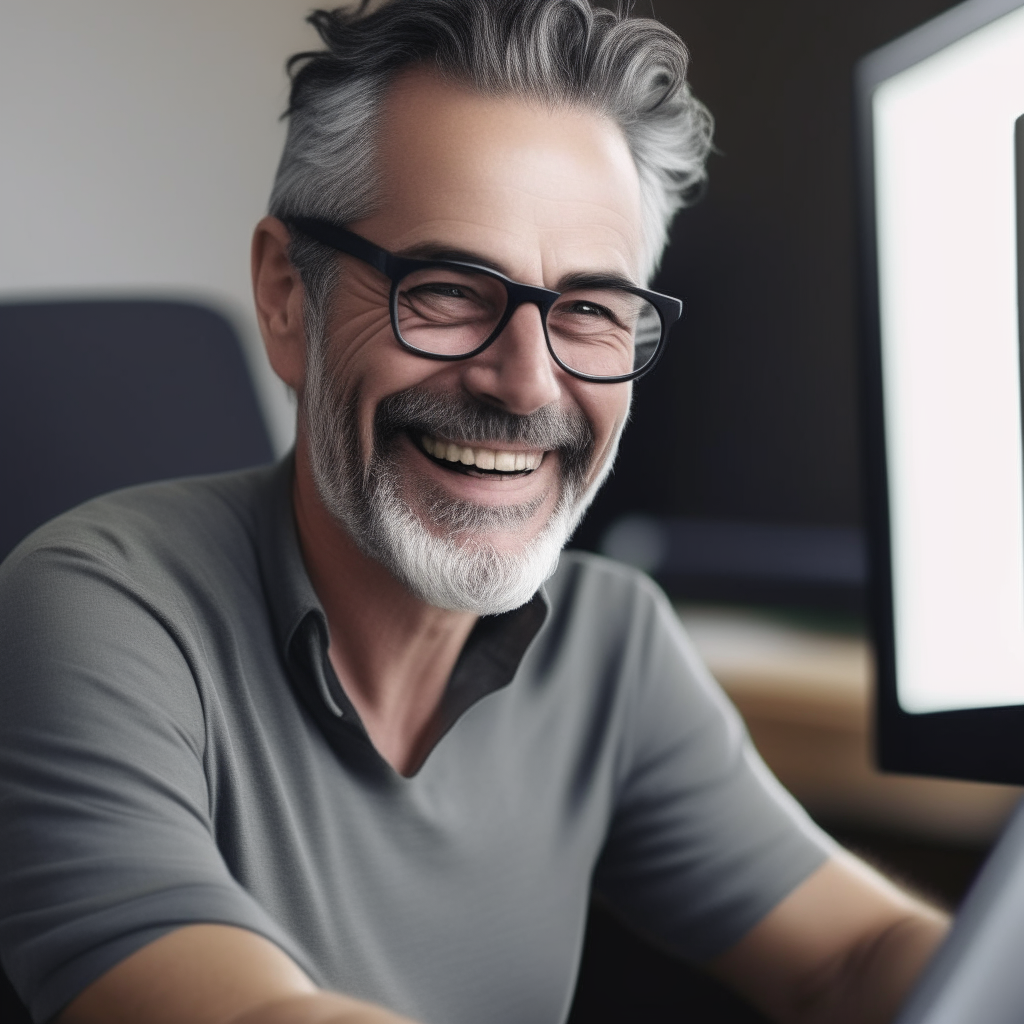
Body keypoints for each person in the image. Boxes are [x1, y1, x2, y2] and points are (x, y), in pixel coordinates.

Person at [0, 2, 947, 1023]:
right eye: (447, 288)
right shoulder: (89, 612)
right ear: (287, 296)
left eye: (589, 309)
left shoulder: (610, 643)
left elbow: (854, 955)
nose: (526, 384)